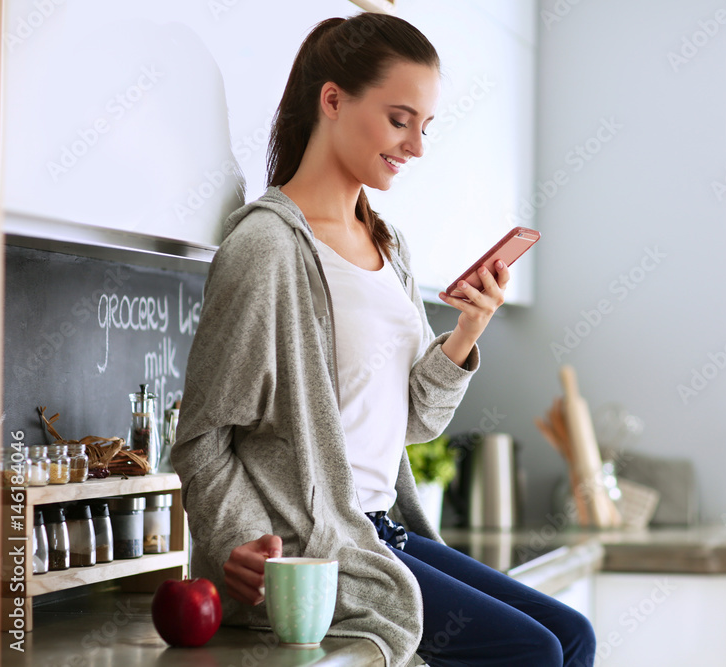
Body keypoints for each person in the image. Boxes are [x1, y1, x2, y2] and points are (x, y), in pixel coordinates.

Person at [171, 12, 596, 667]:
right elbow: (202, 436)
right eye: (400, 120)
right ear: (333, 100)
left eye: (425, 127)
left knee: (573, 636)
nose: (417, 147)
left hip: (382, 529)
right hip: (314, 551)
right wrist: (236, 540)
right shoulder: (266, 249)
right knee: (533, 651)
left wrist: (468, 331)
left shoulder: (387, 246)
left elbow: (417, 422)